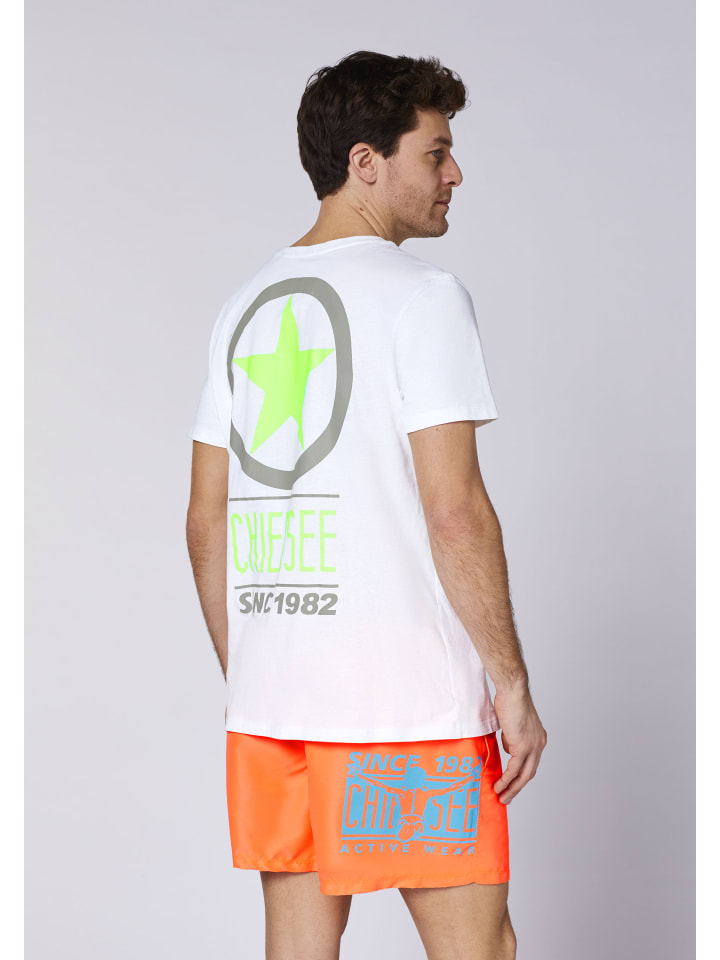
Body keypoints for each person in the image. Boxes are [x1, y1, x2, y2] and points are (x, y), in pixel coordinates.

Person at [186, 49, 547, 960]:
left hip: (275, 713)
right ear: (365, 162)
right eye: (436, 152)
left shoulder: (243, 307)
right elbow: (455, 510)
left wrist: (257, 672)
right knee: (479, 949)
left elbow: (205, 521)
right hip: (408, 709)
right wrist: (511, 684)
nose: (455, 174)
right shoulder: (424, 297)